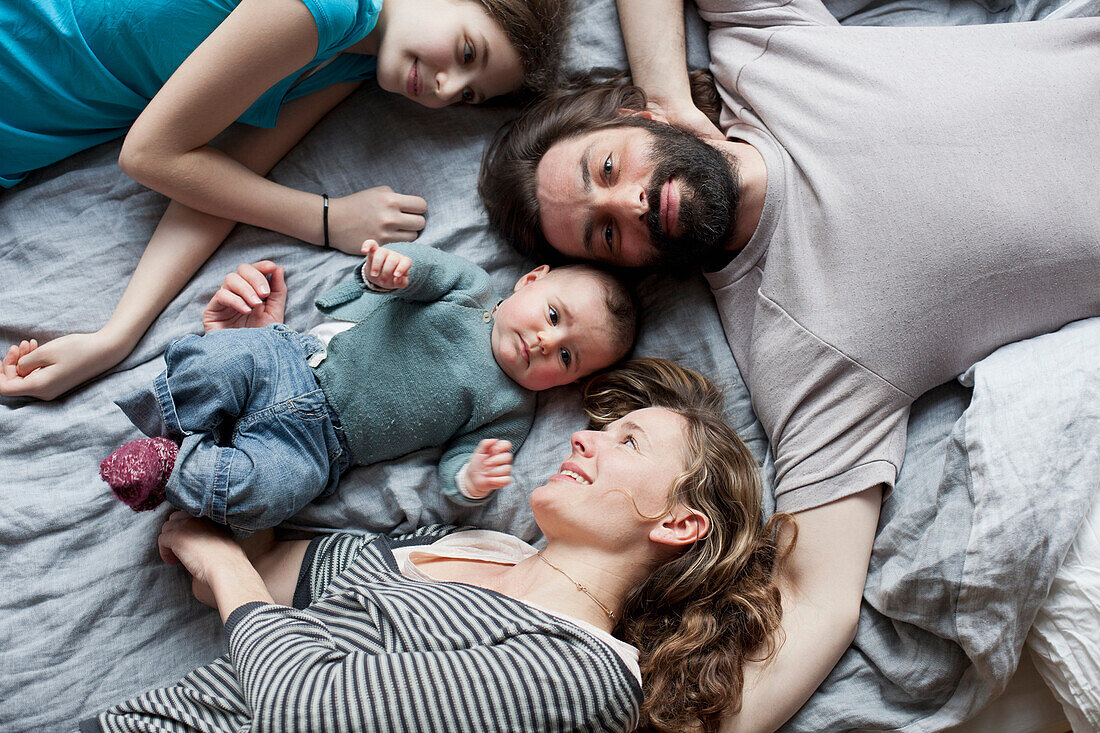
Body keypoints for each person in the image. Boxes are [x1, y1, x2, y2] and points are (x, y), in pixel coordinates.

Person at [477, 0, 1100, 729]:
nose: (632, 200)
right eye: (606, 233)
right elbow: (813, 600)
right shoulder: (801, 353)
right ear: (628, 272)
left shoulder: (766, 53)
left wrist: (670, 92)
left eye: (608, 166)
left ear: (637, 118)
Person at [80, 358, 790, 733]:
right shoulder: (470, 540)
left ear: (677, 523)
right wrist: (259, 393)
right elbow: (267, 588)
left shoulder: (590, 676)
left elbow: (301, 707)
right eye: (602, 426)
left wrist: (224, 563)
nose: (584, 436)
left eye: (627, 440)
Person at [0, 0, 570, 401]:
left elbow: (222, 181)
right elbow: (150, 156)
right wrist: (325, 220)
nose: (445, 89)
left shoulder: (350, 59)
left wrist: (115, 337)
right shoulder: (324, 8)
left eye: (468, 94)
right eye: (467, 51)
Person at [97, 240, 635, 534]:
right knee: (223, 360)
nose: (544, 340)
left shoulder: (512, 409)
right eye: (552, 314)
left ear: (573, 381)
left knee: (270, 494)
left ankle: (170, 468)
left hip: (321, 449)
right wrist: (393, 271)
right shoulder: (470, 290)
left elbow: (457, 468)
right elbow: (422, 270)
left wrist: (470, 479)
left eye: (567, 355)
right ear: (531, 280)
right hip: (295, 362)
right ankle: (170, 421)